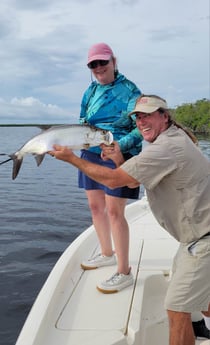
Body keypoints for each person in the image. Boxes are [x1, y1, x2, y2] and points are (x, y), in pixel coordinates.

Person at [49, 94, 210, 345]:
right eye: (137, 117)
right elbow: (134, 179)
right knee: (202, 300)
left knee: (177, 309)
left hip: (203, 241)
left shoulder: (167, 147)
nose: (141, 121)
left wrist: (72, 159)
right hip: (195, 238)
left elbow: (114, 181)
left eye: (148, 115)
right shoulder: (169, 140)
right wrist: (118, 160)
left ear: (165, 116)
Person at [78, 42, 143, 292]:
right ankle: (107, 253)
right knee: (96, 207)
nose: (98, 67)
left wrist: (119, 145)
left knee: (115, 212)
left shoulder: (130, 91)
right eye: (93, 64)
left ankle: (124, 271)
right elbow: (83, 120)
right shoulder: (89, 92)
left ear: (114, 61)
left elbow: (140, 127)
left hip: (119, 155)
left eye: (102, 62)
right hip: (90, 153)